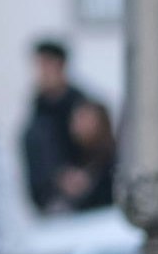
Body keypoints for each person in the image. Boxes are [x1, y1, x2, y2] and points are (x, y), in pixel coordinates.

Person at [21, 38, 105, 214]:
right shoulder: (38, 108)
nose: (42, 72)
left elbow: (100, 147)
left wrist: (82, 176)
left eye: (46, 65)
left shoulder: (80, 105)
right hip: (51, 201)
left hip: (85, 201)